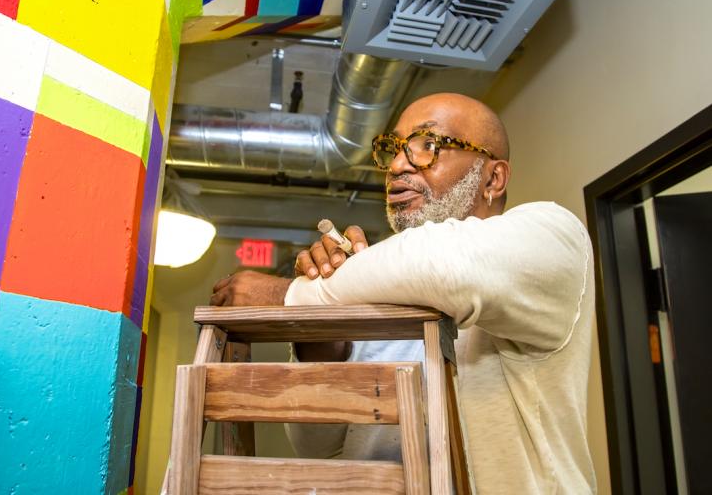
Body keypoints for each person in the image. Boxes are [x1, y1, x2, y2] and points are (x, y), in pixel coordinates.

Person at [209, 93, 596, 493]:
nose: (395, 166)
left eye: (428, 146)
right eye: (394, 149)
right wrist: (324, 336)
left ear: (493, 178)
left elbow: (447, 266)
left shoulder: (553, 236)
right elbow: (319, 445)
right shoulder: (379, 292)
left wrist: (291, 295)